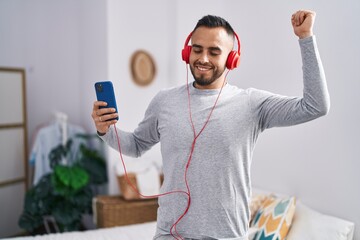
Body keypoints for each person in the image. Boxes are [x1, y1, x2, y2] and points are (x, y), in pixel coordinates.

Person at [91, 10, 330, 240]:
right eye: (197, 49)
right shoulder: (164, 101)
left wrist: (305, 39)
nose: (203, 59)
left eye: (214, 52)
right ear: (187, 52)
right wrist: (105, 130)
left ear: (232, 59)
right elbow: (136, 145)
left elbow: (315, 106)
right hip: (170, 234)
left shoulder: (251, 103)